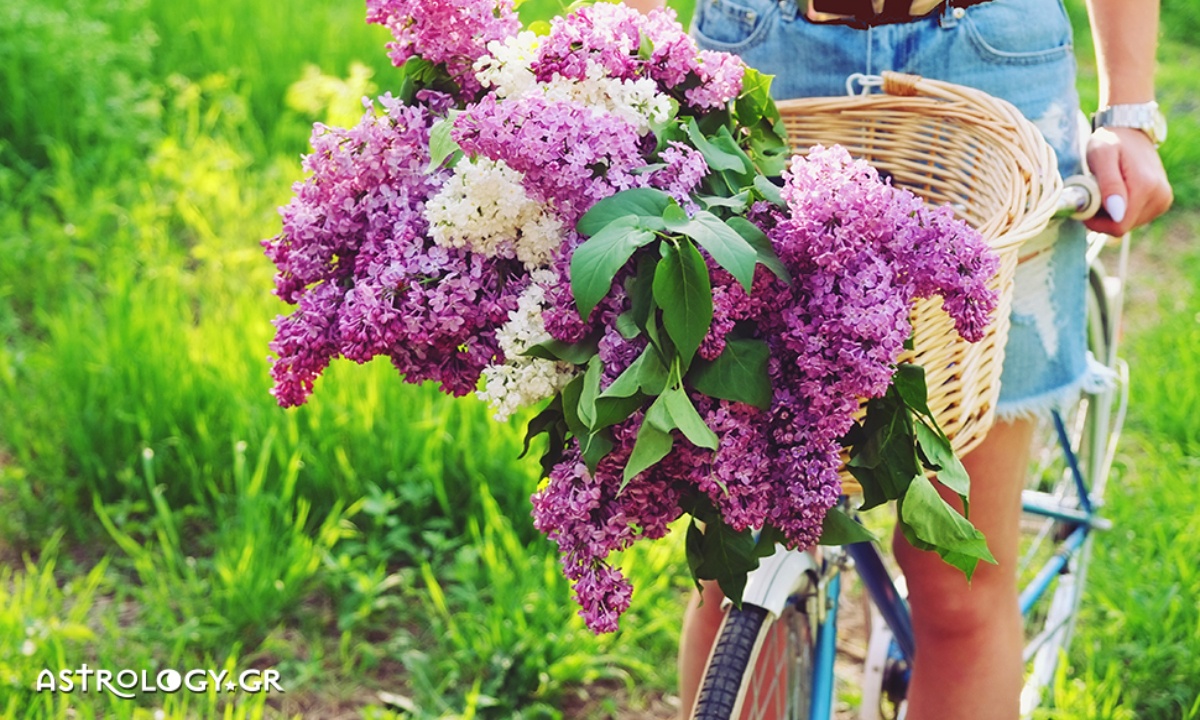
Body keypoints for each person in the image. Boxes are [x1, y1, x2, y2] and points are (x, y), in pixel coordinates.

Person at [622, 0, 1174, 717]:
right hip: (763, 58)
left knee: (958, 586)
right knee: (738, 565)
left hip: (989, 70)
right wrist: (624, 61)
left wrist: (1129, 110)